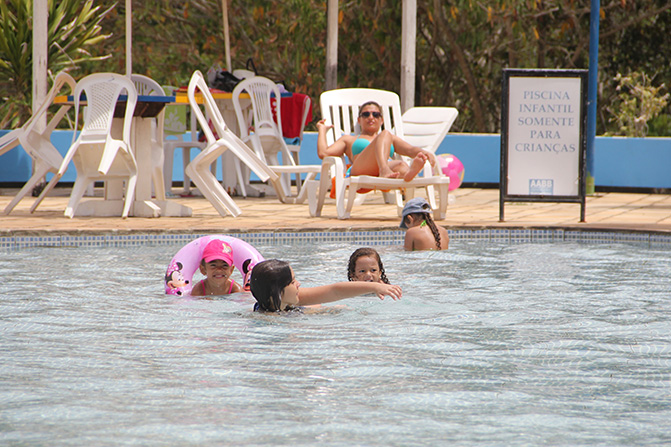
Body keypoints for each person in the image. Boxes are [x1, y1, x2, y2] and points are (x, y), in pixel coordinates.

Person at [316, 101, 436, 181]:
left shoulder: (389, 138)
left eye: (376, 114)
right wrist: (321, 130)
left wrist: (424, 152)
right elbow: (324, 153)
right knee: (385, 134)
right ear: (359, 120)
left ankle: (408, 173)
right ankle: (384, 168)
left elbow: (409, 150)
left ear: (381, 120)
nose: (371, 117)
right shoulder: (349, 139)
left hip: (388, 169)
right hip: (361, 169)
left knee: (400, 164)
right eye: (366, 114)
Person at [250, 259, 402, 312]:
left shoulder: (285, 300)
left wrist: (375, 287)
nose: (298, 284)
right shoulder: (268, 320)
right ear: (277, 292)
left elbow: (335, 291)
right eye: (292, 282)